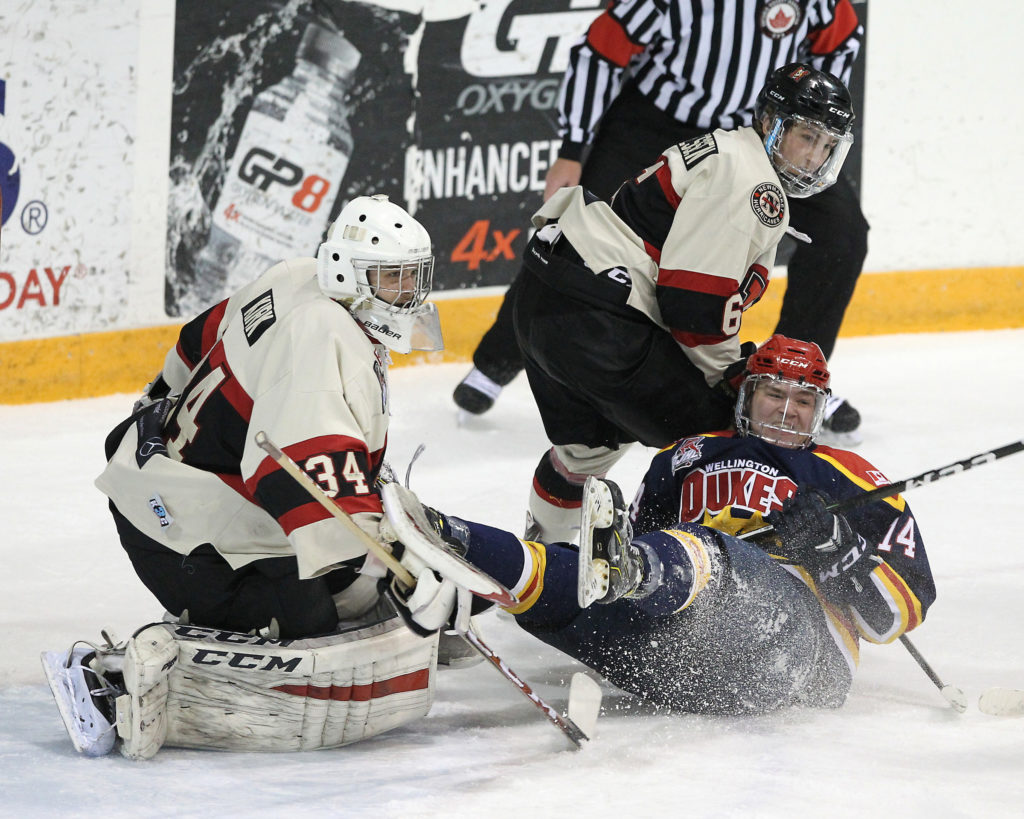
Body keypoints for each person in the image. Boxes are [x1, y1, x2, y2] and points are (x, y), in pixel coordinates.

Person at [43, 195, 464, 758]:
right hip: (177, 529)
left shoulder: (296, 277)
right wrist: (399, 563)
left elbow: (197, 338)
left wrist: (164, 395)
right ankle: (108, 677)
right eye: (391, 278)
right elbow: (301, 480)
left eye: (412, 277)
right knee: (310, 619)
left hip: (174, 486)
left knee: (352, 590)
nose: (407, 294)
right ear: (347, 271)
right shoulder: (324, 334)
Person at [430, 334, 935, 713]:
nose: (787, 411)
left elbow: (891, 618)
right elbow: (639, 545)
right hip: (680, 662)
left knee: (696, 555)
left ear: (819, 409)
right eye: (774, 395)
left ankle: (639, 573)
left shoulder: (854, 477)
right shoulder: (687, 457)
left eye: (803, 401)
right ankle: (446, 541)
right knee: (568, 584)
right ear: (746, 396)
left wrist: (834, 546)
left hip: (801, 661)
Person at [454, 0, 867, 442]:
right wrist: (572, 149)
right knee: (585, 233)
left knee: (843, 237)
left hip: (772, 138)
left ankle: (792, 378)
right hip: (662, 122)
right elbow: (603, 47)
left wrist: (810, 127)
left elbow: (839, 44)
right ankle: (496, 361)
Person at [502, 62, 856, 542]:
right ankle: (690, 566)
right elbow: (693, 306)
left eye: (827, 146)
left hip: (547, 298)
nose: (815, 157)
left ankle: (545, 567)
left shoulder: (730, 152)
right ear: (773, 123)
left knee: (585, 451)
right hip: (599, 319)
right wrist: (735, 377)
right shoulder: (753, 182)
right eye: (808, 137)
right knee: (722, 432)